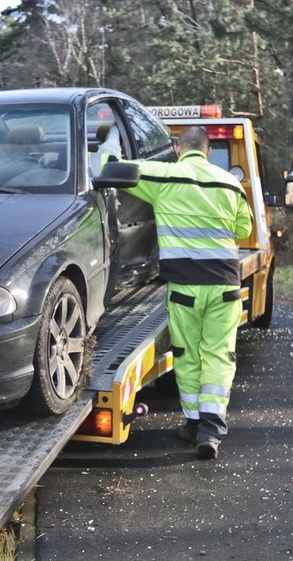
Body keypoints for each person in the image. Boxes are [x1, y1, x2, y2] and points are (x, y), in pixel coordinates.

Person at [118, 126, 253, 459]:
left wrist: (104, 144)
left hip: (184, 289)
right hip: (224, 286)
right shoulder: (230, 183)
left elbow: (118, 169)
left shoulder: (165, 177)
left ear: (178, 149)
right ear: (208, 151)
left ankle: (192, 424)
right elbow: (244, 229)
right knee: (219, 355)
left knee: (188, 355)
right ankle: (211, 430)